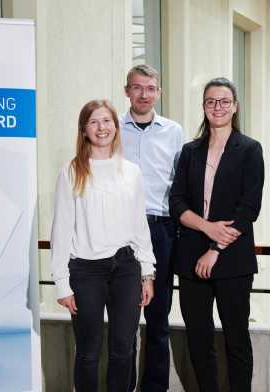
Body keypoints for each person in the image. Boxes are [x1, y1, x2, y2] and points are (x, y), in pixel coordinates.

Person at [50, 99, 157, 392]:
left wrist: (147, 273)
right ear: (85, 130)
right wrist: (62, 282)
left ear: (115, 126)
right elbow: (60, 230)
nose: (102, 127)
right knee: (88, 352)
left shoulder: (131, 171)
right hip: (85, 272)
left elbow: (139, 226)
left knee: (123, 349)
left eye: (107, 121)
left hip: (125, 268)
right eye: (94, 122)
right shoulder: (71, 172)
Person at [169, 77, 264, 392]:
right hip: (191, 258)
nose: (218, 107)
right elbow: (177, 202)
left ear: (235, 106)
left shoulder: (250, 149)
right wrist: (206, 226)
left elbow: (248, 208)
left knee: (236, 339)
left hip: (232, 259)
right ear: (204, 107)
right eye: (211, 101)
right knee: (198, 339)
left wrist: (215, 247)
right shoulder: (190, 150)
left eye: (224, 101)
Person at [120, 64, 183, 392]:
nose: (143, 94)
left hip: (161, 231)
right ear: (126, 91)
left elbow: (181, 185)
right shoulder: (112, 128)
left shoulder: (174, 131)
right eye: (137, 87)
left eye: (150, 88)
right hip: (121, 232)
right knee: (125, 322)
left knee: (158, 319)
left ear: (158, 92)